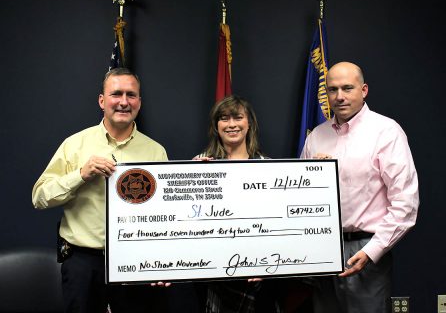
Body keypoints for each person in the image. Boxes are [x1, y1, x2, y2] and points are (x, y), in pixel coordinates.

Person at [32, 68, 170, 313]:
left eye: (131, 95)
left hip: (135, 261)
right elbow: (40, 197)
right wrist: (81, 175)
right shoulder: (75, 144)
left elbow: (165, 213)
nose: (124, 102)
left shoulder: (155, 151)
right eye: (116, 94)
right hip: (83, 263)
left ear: (139, 102)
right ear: (102, 100)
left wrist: (163, 262)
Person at [300, 62, 419, 313]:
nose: (339, 97)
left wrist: (372, 251)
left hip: (366, 250)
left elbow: (405, 204)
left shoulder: (386, 132)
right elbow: (301, 197)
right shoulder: (316, 136)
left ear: (364, 90)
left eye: (347, 88)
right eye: (332, 90)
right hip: (322, 248)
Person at [194, 95, 278, 313]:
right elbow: (191, 223)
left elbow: (277, 223)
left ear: (249, 123)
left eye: (238, 117)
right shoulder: (200, 163)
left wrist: (268, 262)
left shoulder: (268, 166)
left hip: (259, 272)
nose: (231, 124)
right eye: (224, 118)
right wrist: (193, 177)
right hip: (216, 272)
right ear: (216, 126)